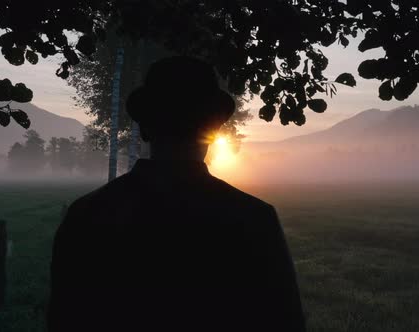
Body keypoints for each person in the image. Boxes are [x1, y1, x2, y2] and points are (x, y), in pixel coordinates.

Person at [48, 56, 306, 331]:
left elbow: (63, 319)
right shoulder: (254, 218)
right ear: (213, 130)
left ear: (145, 129)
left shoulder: (87, 214)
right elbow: (285, 321)